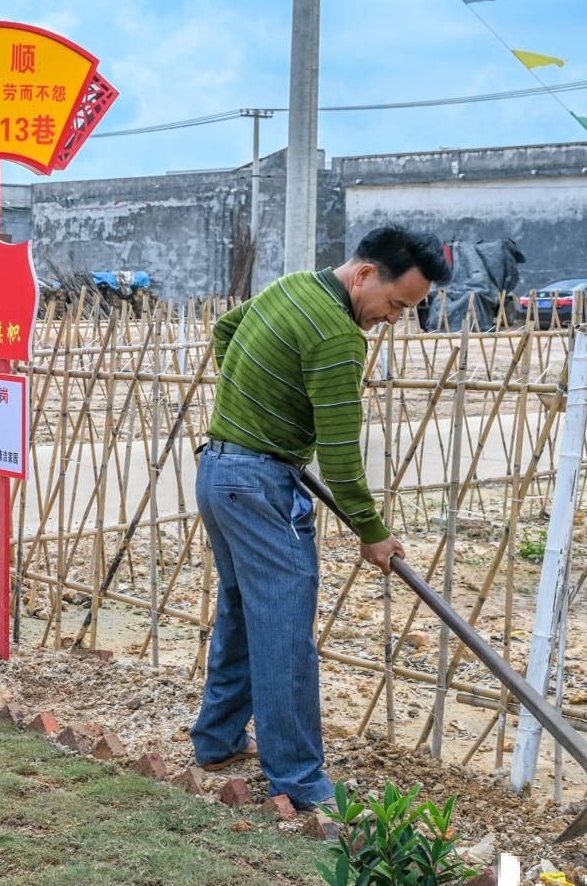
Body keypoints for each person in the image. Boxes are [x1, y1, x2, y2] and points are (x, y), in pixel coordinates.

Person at [190, 224, 450, 809]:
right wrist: (373, 532)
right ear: (364, 275)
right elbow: (338, 457)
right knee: (284, 634)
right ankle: (301, 783)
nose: (394, 319)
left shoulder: (294, 287)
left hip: (220, 472)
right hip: (259, 486)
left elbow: (226, 328)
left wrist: (254, 400)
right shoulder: (338, 335)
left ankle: (217, 741)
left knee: (241, 610)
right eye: (396, 304)